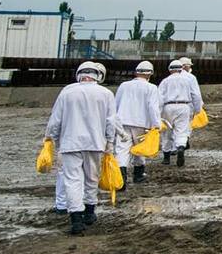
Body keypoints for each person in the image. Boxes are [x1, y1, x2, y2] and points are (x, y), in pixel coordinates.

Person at [46, 61, 117, 235]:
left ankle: (76, 218)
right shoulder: (106, 94)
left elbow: (56, 119)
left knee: (72, 180)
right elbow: (111, 122)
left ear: (79, 74)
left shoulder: (67, 92)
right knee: (92, 178)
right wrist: (109, 142)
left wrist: (50, 138)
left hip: (70, 143)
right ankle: (90, 212)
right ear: (97, 75)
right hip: (95, 143)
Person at [113, 61, 161, 186]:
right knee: (140, 150)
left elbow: (116, 104)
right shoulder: (151, 88)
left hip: (123, 122)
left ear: (136, 72)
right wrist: (156, 125)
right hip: (142, 123)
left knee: (122, 150)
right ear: (150, 74)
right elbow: (153, 108)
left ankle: (120, 179)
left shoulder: (124, 85)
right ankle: (138, 175)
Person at [158, 60, 201, 166]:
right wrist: (197, 109)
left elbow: (159, 98)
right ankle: (181, 147)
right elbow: (196, 95)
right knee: (182, 130)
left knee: (166, 132)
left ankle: (166, 157)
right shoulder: (187, 80)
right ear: (181, 69)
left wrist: (158, 113)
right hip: (184, 106)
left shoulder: (165, 81)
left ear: (169, 69)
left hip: (168, 106)